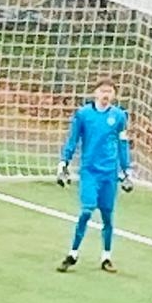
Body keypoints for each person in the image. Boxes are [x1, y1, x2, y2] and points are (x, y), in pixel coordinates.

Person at [56, 77, 132, 274]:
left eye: (110, 91)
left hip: (110, 174)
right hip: (90, 171)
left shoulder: (119, 116)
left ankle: (106, 257)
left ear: (114, 95)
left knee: (107, 216)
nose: (106, 95)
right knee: (86, 211)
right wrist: (64, 162)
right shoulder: (83, 114)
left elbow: (123, 144)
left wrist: (126, 170)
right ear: (95, 93)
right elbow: (73, 140)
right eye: (103, 91)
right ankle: (73, 253)